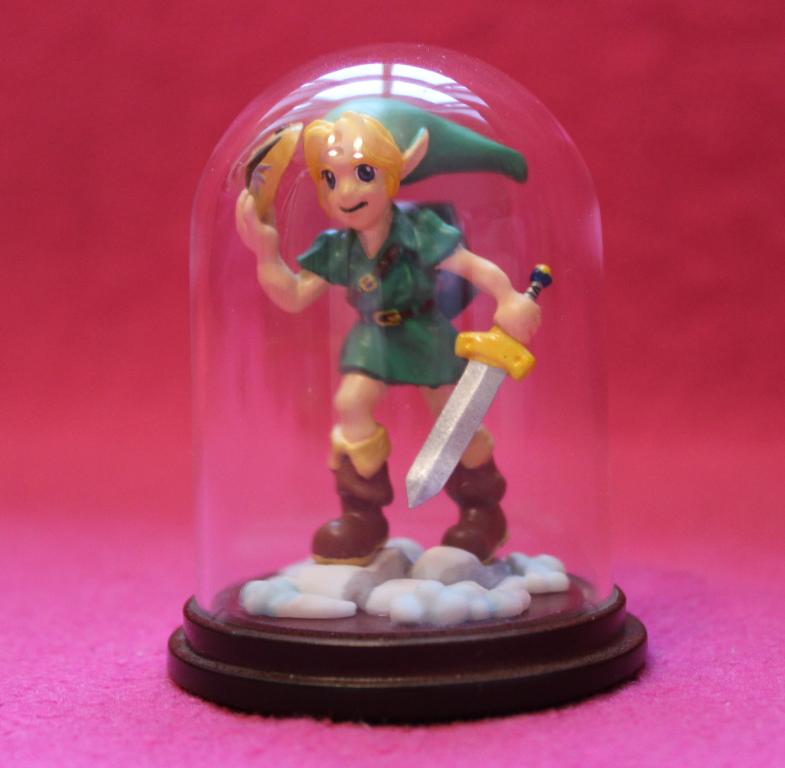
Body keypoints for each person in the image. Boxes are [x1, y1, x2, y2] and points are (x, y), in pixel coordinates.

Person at [235, 108, 541, 565]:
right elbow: (295, 296)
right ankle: (362, 516)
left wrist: (509, 298)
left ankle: (483, 511)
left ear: (395, 173)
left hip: (423, 329)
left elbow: (471, 266)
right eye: (330, 179)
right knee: (351, 403)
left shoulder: (417, 230)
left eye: (363, 173)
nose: (346, 192)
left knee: (454, 415)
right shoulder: (339, 247)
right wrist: (265, 253)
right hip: (372, 335)